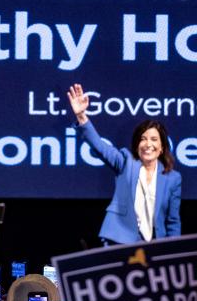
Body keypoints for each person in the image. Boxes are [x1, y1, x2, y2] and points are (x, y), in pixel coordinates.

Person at [67, 83, 181, 243]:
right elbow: (99, 146)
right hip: (119, 240)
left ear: (161, 148)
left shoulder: (173, 178)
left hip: (153, 246)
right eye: (143, 139)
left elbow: (172, 221)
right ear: (136, 145)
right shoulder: (126, 161)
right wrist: (81, 116)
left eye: (154, 139)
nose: (148, 144)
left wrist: (173, 252)